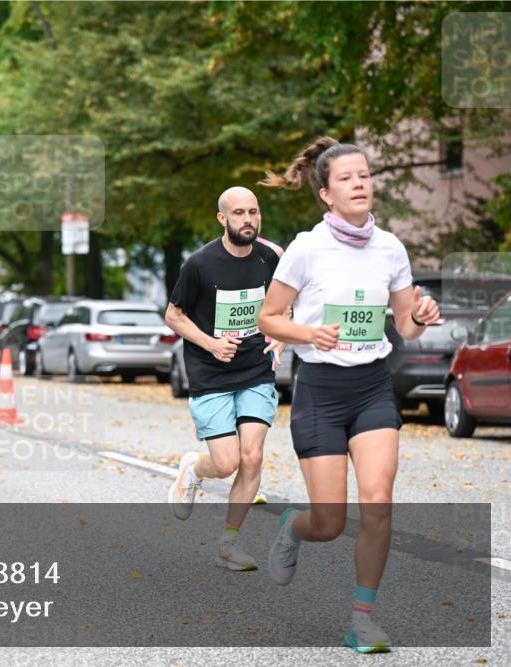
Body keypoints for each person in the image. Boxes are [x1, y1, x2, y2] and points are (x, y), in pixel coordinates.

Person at [257, 137, 440, 654]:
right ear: (325, 194)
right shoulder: (306, 248)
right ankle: (295, 528)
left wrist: (420, 316)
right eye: (346, 178)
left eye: (365, 175)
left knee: (379, 503)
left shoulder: (392, 248)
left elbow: (406, 325)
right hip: (320, 390)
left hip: (372, 386)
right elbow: (268, 318)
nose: (360, 183)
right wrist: (307, 334)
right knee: (331, 521)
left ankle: (362, 620)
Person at [165, 186, 283, 572]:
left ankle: (228, 545)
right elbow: (174, 315)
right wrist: (212, 344)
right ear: (223, 219)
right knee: (227, 462)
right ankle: (193, 470)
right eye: (239, 213)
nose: (248, 219)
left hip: (255, 369)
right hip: (210, 373)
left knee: (251, 457)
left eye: (253, 212)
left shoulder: (270, 258)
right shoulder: (200, 264)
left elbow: (286, 302)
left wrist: (281, 335)